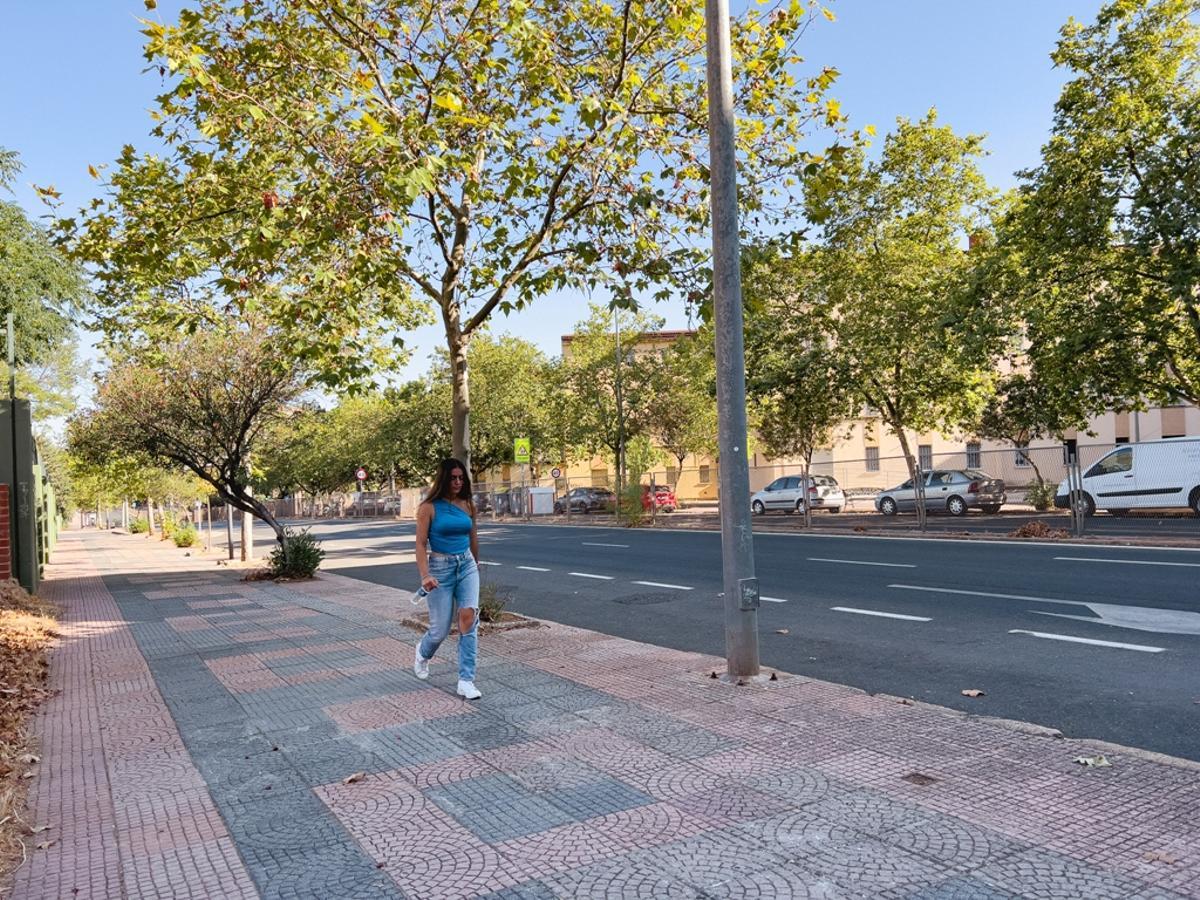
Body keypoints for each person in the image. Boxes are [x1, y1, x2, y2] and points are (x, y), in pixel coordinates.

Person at [413, 458, 482, 700]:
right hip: (440, 569)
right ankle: (423, 653)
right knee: (439, 630)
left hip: (466, 566)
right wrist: (425, 575)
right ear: (443, 479)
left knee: (468, 619)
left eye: (461, 478)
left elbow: (473, 537)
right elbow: (421, 544)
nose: (457, 482)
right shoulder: (429, 507)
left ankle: (466, 680)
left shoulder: (468, 505)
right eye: (453, 478)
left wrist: (476, 564)